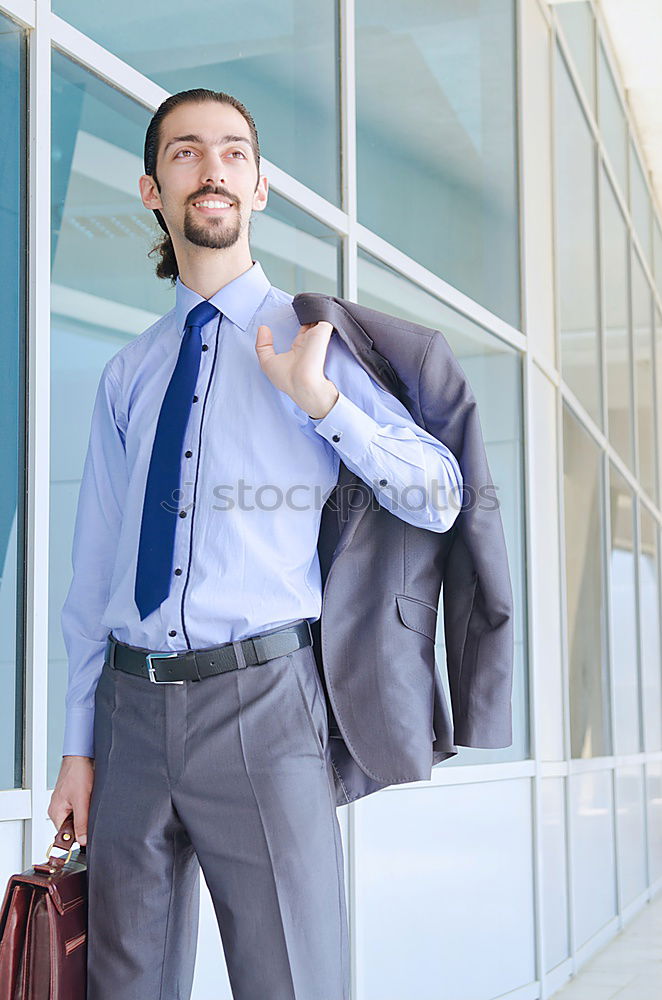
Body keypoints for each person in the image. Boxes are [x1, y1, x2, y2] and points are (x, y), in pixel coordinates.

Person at [48, 88, 462, 1000]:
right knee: (123, 988)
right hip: (128, 717)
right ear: (153, 190)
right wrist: (77, 747)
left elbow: (438, 494)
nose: (214, 169)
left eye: (234, 152)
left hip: (265, 707)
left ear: (261, 187)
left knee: (292, 982)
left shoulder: (318, 345)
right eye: (187, 153)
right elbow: (93, 579)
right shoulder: (129, 371)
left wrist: (322, 404)